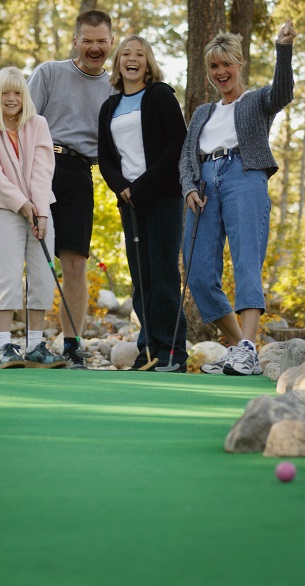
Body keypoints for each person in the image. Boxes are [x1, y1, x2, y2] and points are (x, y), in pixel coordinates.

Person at [0, 9, 115, 370]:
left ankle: (72, 344)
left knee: (74, 262)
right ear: (76, 41)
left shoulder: (113, 89)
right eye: (87, 41)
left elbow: (114, 145)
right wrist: (21, 188)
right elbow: (19, 121)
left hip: (78, 172)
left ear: (110, 43)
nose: (94, 48)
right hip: (31, 167)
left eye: (101, 41)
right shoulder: (49, 73)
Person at [179, 20, 296, 376]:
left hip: (244, 175)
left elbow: (283, 92)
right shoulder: (203, 112)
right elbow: (186, 156)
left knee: (246, 263)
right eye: (214, 66)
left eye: (226, 64)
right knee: (198, 274)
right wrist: (188, 187)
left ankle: (246, 347)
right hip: (204, 184)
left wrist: (283, 49)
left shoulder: (256, 99)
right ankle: (242, 348)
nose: (220, 72)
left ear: (239, 63)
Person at [98, 35, 188, 371]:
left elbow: (176, 143)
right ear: (119, 62)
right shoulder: (110, 106)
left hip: (163, 198)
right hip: (130, 202)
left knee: (163, 275)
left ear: (147, 62)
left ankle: (173, 352)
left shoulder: (160, 95)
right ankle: (148, 349)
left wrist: (142, 186)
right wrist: (123, 188)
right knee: (141, 277)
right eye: (125, 54)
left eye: (139, 54)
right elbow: (105, 157)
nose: (132, 59)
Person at [0, 67, 65, 368]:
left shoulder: (37, 124)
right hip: (8, 210)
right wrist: (21, 204)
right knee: (8, 274)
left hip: (40, 211)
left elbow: (43, 170)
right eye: (5, 93)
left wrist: (39, 211)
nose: (11, 98)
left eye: (17, 92)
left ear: (24, 96)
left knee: (41, 274)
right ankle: (3, 345)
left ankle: (36, 345)